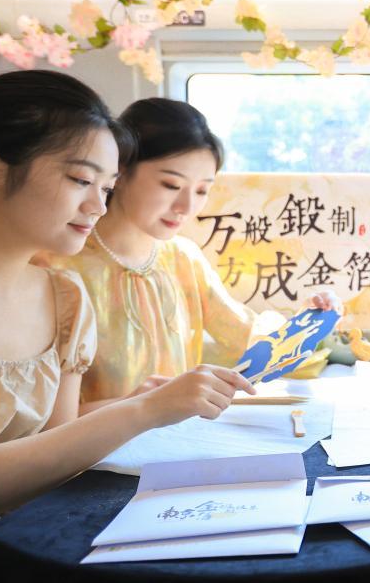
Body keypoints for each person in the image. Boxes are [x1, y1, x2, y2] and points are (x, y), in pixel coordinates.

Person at [0, 71, 255, 582]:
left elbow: (54, 453)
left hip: (21, 547)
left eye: (107, 187)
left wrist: (140, 404)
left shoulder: (63, 298)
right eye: (81, 181)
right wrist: (142, 411)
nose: (98, 206)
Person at [41, 98, 337, 413]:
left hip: (180, 436)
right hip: (94, 444)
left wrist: (309, 321)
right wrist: (146, 407)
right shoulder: (56, 268)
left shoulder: (182, 258)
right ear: (121, 171)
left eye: (201, 190)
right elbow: (44, 420)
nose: (186, 207)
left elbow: (247, 337)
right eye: (171, 185)